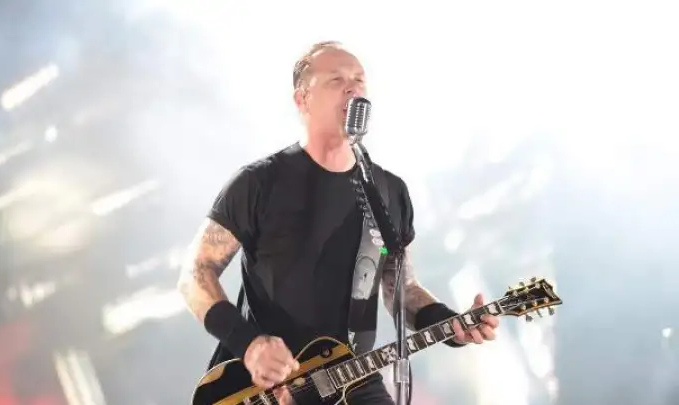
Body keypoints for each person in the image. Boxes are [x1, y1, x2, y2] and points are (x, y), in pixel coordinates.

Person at [177, 41, 500, 405]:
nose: (353, 88)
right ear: (302, 100)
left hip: (353, 377)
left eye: (359, 80)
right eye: (336, 80)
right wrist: (249, 345)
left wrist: (453, 324)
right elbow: (194, 274)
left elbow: (402, 290)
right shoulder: (258, 183)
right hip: (265, 386)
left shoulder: (388, 192)